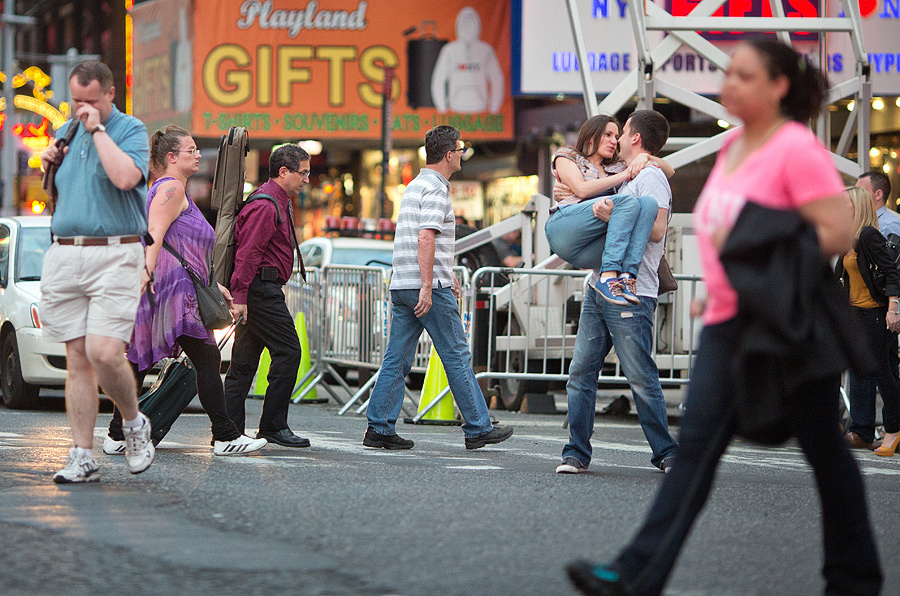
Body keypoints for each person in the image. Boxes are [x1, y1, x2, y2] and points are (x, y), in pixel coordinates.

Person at [567, 39, 883, 596]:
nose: (727, 84)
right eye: (726, 73)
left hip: (783, 326)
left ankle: (854, 579)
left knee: (827, 455)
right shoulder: (735, 145)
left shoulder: (794, 148)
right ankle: (635, 573)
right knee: (696, 452)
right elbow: (723, 234)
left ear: (778, 86)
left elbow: (835, 230)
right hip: (728, 323)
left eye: (742, 75)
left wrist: (757, 262)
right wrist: (717, 288)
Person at [103, 126, 267, 457]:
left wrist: (214, 286)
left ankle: (117, 434)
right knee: (206, 358)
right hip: (171, 291)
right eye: (190, 150)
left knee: (138, 360)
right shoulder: (171, 189)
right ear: (171, 157)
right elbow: (154, 233)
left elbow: (178, 247)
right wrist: (146, 272)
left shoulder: (171, 189)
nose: (196, 155)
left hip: (174, 286)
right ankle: (224, 435)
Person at [39, 60, 155, 483]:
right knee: (76, 358)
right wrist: (48, 164)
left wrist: (97, 130)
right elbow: (60, 196)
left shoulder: (128, 130)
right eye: (75, 101)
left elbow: (125, 178)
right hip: (67, 252)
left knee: (105, 352)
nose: (81, 108)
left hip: (116, 251)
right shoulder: (67, 132)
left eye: (90, 101)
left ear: (109, 94)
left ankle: (133, 423)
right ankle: (82, 455)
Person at [364, 125, 513, 451]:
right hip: (424, 287)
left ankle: (379, 426)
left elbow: (422, 239)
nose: (462, 154)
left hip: (402, 283)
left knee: (397, 358)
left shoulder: (415, 186)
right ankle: (477, 427)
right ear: (449, 154)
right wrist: (431, 285)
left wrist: (445, 274)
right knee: (457, 355)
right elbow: (426, 237)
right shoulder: (436, 190)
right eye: (460, 149)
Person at [556, 110, 678, 474]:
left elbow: (656, 230)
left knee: (640, 376)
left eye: (622, 133)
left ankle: (668, 454)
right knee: (581, 373)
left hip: (633, 290)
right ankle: (575, 453)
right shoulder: (627, 177)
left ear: (636, 138)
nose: (618, 140)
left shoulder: (651, 178)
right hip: (599, 287)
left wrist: (612, 216)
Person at [224, 144, 311, 448]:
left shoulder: (278, 199)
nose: (306, 180)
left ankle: (228, 431)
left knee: (244, 364)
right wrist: (240, 296)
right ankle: (273, 425)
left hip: (260, 289)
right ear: (283, 171)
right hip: (260, 291)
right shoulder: (265, 204)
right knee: (289, 352)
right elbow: (249, 254)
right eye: (303, 173)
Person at [544, 114, 673, 305]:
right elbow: (581, 189)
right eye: (608, 135)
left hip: (590, 243)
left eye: (617, 135)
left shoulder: (616, 165)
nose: (615, 141)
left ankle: (627, 277)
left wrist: (645, 157)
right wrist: (625, 176)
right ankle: (609, 276)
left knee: (648, 204)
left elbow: (670, 171)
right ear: (591, 136)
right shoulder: (569, 156)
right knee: (628, 202)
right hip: (565, 228)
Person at [835, 186, 900, 456]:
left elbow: (891, 271)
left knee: (883, 374)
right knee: (852, 368)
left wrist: (893, 309)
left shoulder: (869, 235)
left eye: (846, 202)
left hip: (875, 314)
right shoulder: (849, 237)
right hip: (855, 315)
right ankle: (841, 424)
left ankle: (894, 431)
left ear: (857, 205)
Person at [857, 170, 900, 238]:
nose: (856, 196)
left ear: (878, 194)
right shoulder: (862, 221)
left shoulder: (891, 225)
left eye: (861, 191)